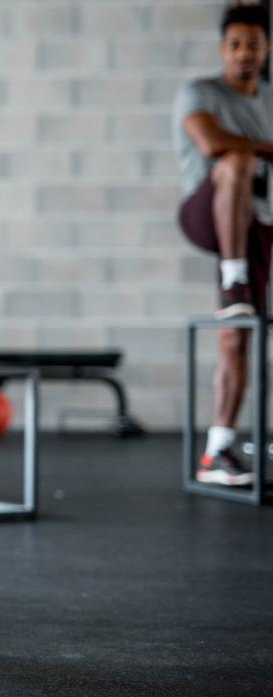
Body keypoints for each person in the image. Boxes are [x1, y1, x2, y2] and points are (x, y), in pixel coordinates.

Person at [174, 4, 273, 486]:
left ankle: (218, 452)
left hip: (260, 224)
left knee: (238, 336)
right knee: (234, 161)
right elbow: (211, 144)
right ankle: (234, 280)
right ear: (223, 50)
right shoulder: (201, 93)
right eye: (234, 45)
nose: (243, 54)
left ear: (267, 50)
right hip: (206, 212)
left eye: (253, 45)